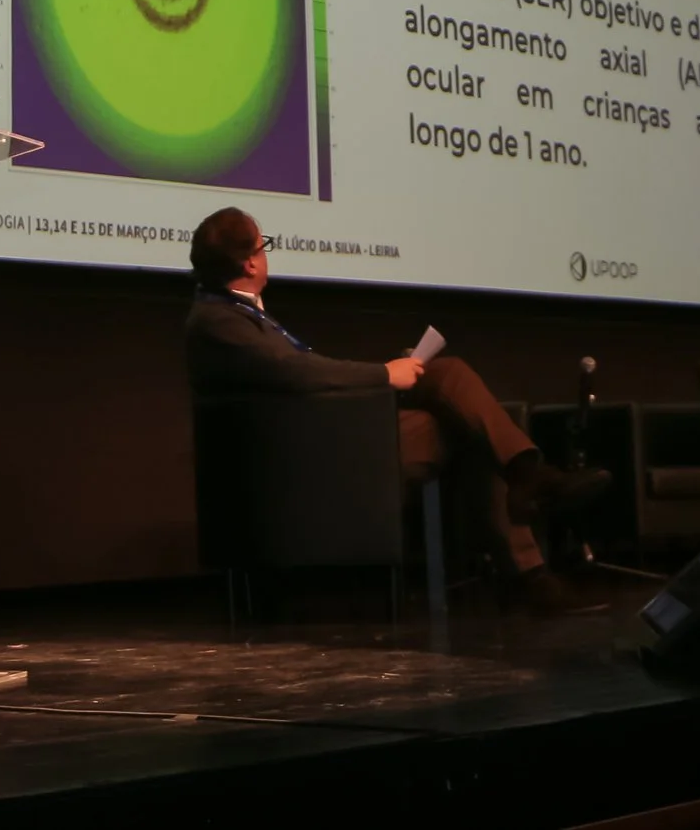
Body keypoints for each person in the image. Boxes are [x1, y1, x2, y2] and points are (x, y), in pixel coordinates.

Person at [184, 207, 611, 614]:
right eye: (264, 246)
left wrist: (392, 372)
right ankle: (529, 549)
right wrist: (385, 374)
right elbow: (296, 371)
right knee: (464, 426)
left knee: (448, 376)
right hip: (306, 457)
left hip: (320, 432)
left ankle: (526, 482)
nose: (266, 255)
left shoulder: (234, 312)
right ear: (249, 263)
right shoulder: (219, 320)